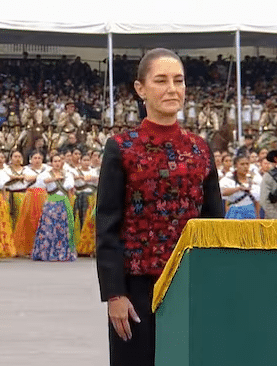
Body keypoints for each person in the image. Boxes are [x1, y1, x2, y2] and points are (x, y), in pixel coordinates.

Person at [96, 48, 224, 366]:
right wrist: (115, 294)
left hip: (190, 285)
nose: (172, 89)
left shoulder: (200, 148)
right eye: (161, 80)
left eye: (178, 81)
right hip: (137, 288)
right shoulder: (121, 148)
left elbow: (214, 222)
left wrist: (214, 288)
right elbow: (107, 226)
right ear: (141, 89)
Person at [31, 152, 76, 261]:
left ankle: (62, 252)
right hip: (51, 204)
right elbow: (41, 183)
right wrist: (54, 179)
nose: (57, 163)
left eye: (59, 161)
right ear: (51, 163)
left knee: (63, 229)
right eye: (55, 161)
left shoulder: (68, 174)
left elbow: (70, 187)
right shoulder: (46, 174)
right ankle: (46, 252)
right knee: (49, 229)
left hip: (63, 203)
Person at [13, 150, 48, 256]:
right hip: (31, 196)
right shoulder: (26, 169)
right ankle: (29, 247)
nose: (37, 160)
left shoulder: (47, 168)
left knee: (43, 221)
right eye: (35, 158)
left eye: (39, 158)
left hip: (44, 195)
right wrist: (42, 177)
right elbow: (27, 178)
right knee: (29, 221)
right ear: (30, 160)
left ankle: (43, 247)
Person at [219, 155, 258, 219]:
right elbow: (223, 192)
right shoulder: (228, 180)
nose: (245, 166)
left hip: (251, 213)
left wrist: (258, 216)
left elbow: (257, 201)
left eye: (247, 164)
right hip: (235, 214)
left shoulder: (254, 181)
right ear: (236, 166)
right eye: (242, 164)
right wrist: (238, 188)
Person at [76, 152, 99, 256]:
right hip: (81, 196)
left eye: (87, 160)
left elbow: (97, 180)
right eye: (84, 160)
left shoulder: (94, 171)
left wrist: (91, 179)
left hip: (92, 197)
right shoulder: (75, 171)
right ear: (80, 161)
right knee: (81, 218)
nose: (86, 162)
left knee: (90, 220)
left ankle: (91, 246)